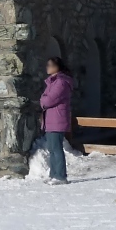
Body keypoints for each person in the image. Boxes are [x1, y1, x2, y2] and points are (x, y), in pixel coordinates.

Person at [40, 57, 74, 185]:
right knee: (51, 148)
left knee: (56, 148)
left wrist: (43, 101)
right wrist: (43, 100)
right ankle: (54, 174)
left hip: (57, 119)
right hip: (50, 119)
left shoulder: (61, 82)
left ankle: (60, 176)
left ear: (57, 67)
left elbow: (48, 100)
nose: (47, 67)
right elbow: (44, 98)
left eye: (50, 65)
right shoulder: (52, 82)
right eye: (47, 64)